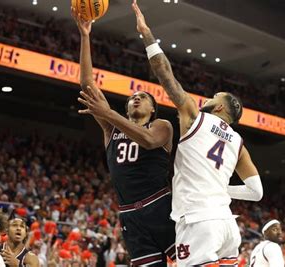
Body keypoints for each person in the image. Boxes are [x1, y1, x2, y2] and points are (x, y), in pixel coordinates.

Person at [131, 1, 263, 265]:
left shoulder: (195, 118)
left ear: (223, 106)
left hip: (198, 220)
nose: (209, 97)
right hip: (227, 224)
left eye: (215, 96)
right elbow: (257, 192)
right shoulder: (238, 143)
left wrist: (146, 34)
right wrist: (223, 190)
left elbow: (165, 74)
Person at [72, 8, 176, 266]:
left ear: (152, 108)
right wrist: (85, 36)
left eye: (143, 97)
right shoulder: (111, 128)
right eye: (132, 98)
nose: (136, 98)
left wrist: (110, 113)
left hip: (161, 206)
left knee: (193, 262)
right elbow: (87, 84)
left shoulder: (162, 125)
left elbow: (149, 142)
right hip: (129, 214)